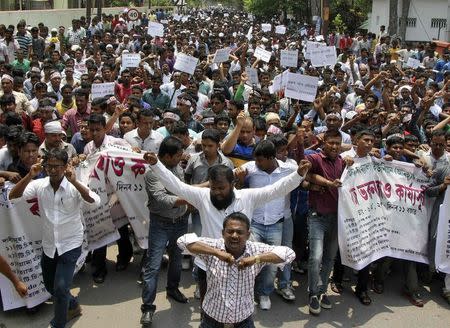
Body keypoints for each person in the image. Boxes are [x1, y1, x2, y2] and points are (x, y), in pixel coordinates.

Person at [143, 149, 311, 311]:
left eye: (221, 188)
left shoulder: (248, 197)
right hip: (207, 267)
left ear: (232, 184)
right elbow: (176, 186)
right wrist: (156, 164)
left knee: (237, 311)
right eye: (213, 188)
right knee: (208, 311)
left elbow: (276, 189)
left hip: (240, 266)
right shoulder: (202, 197)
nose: (216, 193)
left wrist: (298, 175)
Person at [9, 148, 101, 328]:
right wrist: (29, 175)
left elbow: (94, 201)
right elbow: (13, 197)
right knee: (50, 287)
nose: (52, 170)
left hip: (70, 244)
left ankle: (59, 323)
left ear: (65, 166)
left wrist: (75, 182)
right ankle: (73, 305)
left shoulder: (74, 185)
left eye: (57, 166)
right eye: (49, 166)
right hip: (49, 245)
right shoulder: (40, 185)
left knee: (60, 289)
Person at [177, 212, 295, 328]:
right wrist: (217, 253)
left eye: (239, 232)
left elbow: (289, 254)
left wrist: (256, 259)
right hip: (211, 320)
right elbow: (183, 241)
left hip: (243, 321)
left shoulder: (255, 249)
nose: (234, 235)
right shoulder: (214, 246)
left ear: (248, 235)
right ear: (223, 233)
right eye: (230, 231)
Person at [140, 136, 190, 326]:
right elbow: (162, 199)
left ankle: (173, 289)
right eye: (178, 155)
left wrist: (187, 196)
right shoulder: (152, 172)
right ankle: (147, 307)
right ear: (167, 156)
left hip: (180, 221)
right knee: (153, 266)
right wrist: (190, 197)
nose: (181, 158)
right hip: (161, 223)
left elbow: (182, 188)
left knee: (177, 260)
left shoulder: (177, 167)